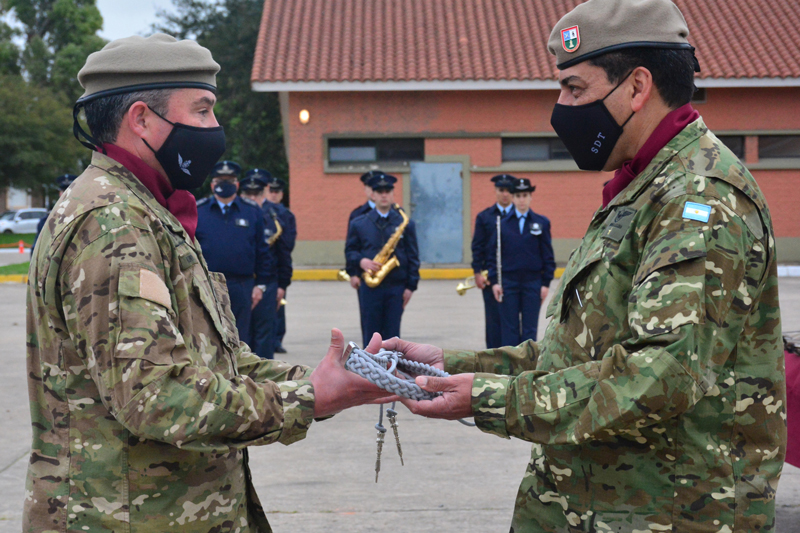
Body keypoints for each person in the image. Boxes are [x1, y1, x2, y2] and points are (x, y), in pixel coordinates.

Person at [388, 1, 785, 530]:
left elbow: (660, 377)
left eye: (575, 89)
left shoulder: (701, 198)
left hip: (662, 513)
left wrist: (490, 399)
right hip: (591, 504)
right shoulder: (643, 186)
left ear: (637, 88)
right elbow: (574, 355)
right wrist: (452, 364)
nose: (561, 106)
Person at [25, 33, 391, 532]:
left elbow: (216, 361)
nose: (214, 128)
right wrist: (308, 400)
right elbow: (156, 396)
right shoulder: (112, 222)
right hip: (125, 518)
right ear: (142, 119)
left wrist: (324, 379)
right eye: (202, 110)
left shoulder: (149, 211)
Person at [196, 160, 272, 347]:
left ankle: (238, 375)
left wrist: (260, 285)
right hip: (208, 283)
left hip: (242, 285)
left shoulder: (252, 211)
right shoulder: (199, 210)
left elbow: (262, 250)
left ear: (237, 185)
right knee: (209, 335)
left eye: (229, 180)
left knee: (240, 336)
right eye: (220, 180)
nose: (224, 184)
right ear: (213, 184)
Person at [345, 173, 419, 347]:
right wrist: (361, 262)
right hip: (370, 289)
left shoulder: (405, 223)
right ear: (373, 195)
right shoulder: (359, 223)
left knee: (393, 335)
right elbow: (350, 251)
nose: (384, 195)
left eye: (387, 191)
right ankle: (369, 371)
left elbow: (413, 256)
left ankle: (392, 371)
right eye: (379, 191)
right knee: (370, 333)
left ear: (393, 194)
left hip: (396, 287)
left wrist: (410, 286)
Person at [488, 177, 555, 346]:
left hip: (532, 282)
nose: (522, 199)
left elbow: (547, 255)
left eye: (525, 195)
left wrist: (545, 283)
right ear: (513, 198)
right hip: (508, 282)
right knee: (509, 328)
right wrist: (495, 282)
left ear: (531, 197)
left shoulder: (541, 223)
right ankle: (510, 368)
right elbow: (493, 255)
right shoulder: (501, 224)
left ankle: (528, 367)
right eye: (518, 196)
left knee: (529, 329)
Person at [238, 169, 290, 360]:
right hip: (242, 283)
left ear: (263, 195)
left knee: (264, 335)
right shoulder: (235, 214)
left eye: (256, 194)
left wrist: (283, 285)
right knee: (242, 334)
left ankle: (265, 378)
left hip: (267, 282)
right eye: (248, 194)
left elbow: (284, 255)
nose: (252, 198)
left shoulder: (275, 217)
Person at [470, 174, 515, 349]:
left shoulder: (518, 216)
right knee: (493, 321)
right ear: (496, 191)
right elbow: (477, 246)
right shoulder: (485, 217)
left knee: (512, 322)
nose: (505, 194)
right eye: (501, 190)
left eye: (508, 190)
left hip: (513, 276)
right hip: (491, 277)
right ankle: (493, 361)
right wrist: (477, 272)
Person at [265, 176, 296, 354]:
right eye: (272, 191)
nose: (274, 194)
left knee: (279, 304)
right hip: (265, 265)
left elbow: (289, 242)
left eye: (277, 192)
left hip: (278, 265)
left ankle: (277, 339)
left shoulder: (286, 215)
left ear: (282, 194)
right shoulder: (259, 211)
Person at [344, 170, 381, 290]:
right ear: (365, 189)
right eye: (370, 186)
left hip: (392, 276)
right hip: (365, 274)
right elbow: (351, 246)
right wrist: (353, 273)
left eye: (377, 187)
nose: (373, 190)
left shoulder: (396, 214)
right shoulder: (357, 215)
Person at [32, 173, 77, 253]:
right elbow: (37, 249)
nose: (66, 194)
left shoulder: (83, 215)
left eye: (69, 190)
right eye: (64, 191)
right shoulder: (47, 220)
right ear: (60, 193)